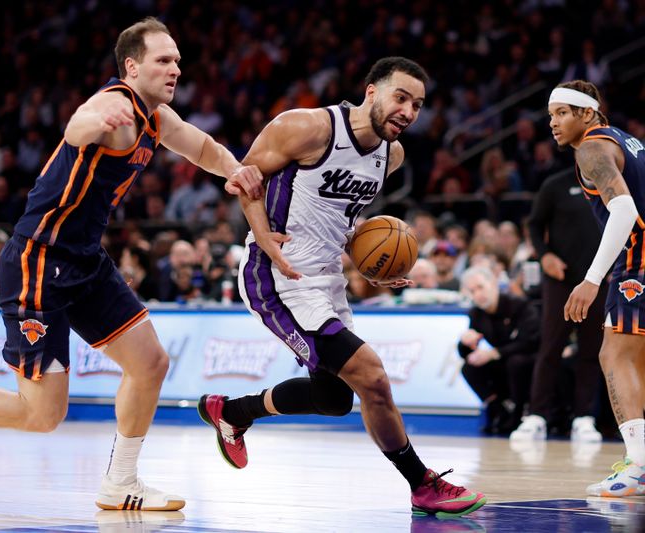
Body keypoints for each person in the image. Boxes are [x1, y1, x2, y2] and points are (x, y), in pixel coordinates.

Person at [0, 17, 263, 511]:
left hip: (85, 260)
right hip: (37, 261)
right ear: (132, 67)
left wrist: (236, 169)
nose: (175, 68)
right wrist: (95, 125)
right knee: (42, 414)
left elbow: (200, 146)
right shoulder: (115, 104)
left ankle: (121, 482)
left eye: (177, 60)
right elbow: (78, 125)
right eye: (163, 60)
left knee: (151, 363)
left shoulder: (157, 118)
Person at [197, 57, 486, 517]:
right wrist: (267, 241)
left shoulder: (391, 156)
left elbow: (341, 220)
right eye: (401, 97)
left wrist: (371, 265)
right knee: (372, 376)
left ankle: (232, 412)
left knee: (333, 400)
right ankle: (422, 484)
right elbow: (245, 179)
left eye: (418, 104)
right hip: (277, 277)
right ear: (371, 92)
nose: (409, 112)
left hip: (328, 280)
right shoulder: (307, 127)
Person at [549, 80, 645, 497]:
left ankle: (639, 466)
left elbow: (624, 208)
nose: (552, 122)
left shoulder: (590, 148)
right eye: (551, 114)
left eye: (561, 113)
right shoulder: (629, 141)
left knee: (614, 353)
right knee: (636, 361)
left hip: (638, 263)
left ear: (587, 114)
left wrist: (590, 280)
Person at [511, 168, 605, 442]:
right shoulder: (555, 184)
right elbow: (535, 225)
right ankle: (537, 416)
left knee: (591, 350)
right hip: (560, 279)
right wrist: (545, 256)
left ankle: (583, 417)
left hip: (598, 280)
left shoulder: (612, 183)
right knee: (550, 347)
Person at [458, 266, 540, 435]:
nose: (477, 295)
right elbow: (467, 353)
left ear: (493, 284)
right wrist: (465, 343)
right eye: (472, 291)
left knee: (515, 362)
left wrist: (494, 353)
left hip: (526, 358)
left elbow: (531, 341)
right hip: (503, 360)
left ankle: (519, 412)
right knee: (469, 367)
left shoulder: (519, 305)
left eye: (480, 287)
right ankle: (498, 409)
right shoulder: (476, 314)